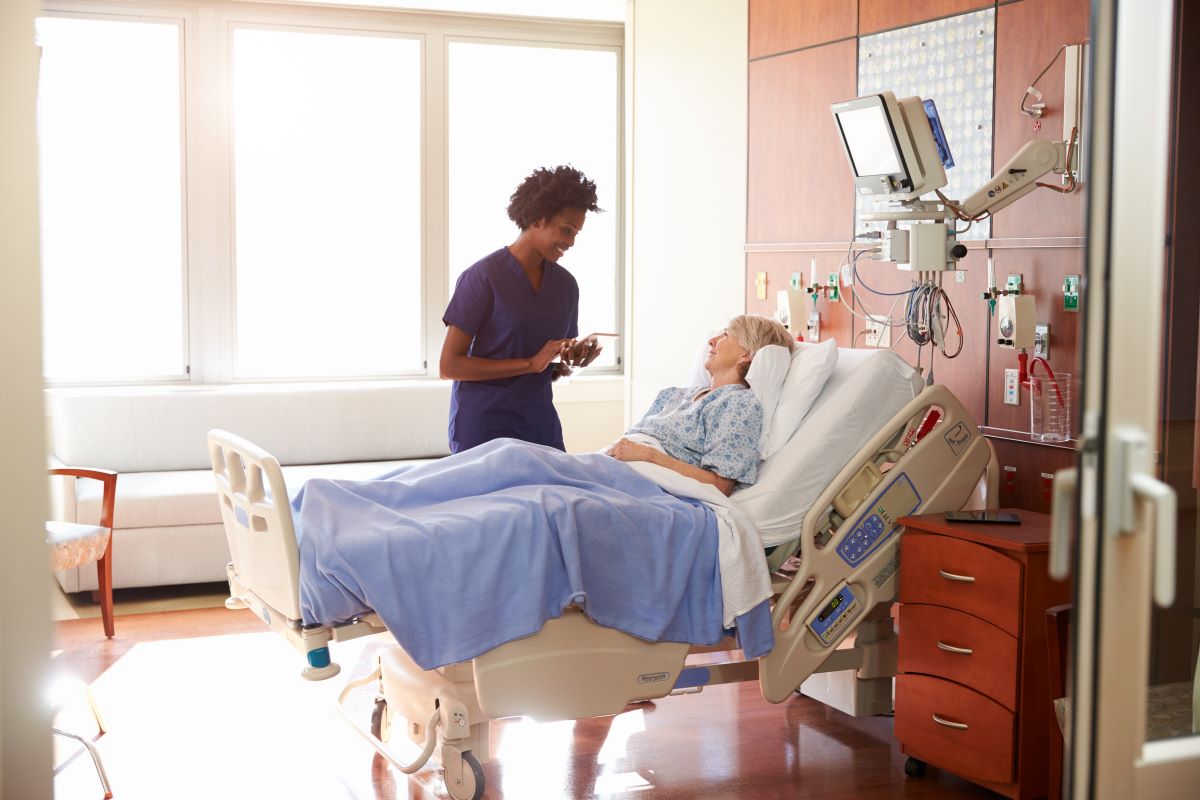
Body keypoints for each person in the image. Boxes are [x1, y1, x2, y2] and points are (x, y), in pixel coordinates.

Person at [440, 165, 603, 454]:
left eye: (576, 233)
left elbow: (553, 369)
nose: (571, 242)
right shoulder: (481, 278)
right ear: (539, 218)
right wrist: (529, 363)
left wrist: (572, 361)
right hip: (483, 428)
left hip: (539, 426)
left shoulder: (566, 286)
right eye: (566, 230)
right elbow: (449, 366)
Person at [607, 315, 793, 496]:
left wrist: (648, 455)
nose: (712, 341)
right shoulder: (674, 394)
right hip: (614, 467)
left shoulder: (737, 404)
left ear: (746, 354)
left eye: (725, 335)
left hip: (649, 488)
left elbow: (720, 486)